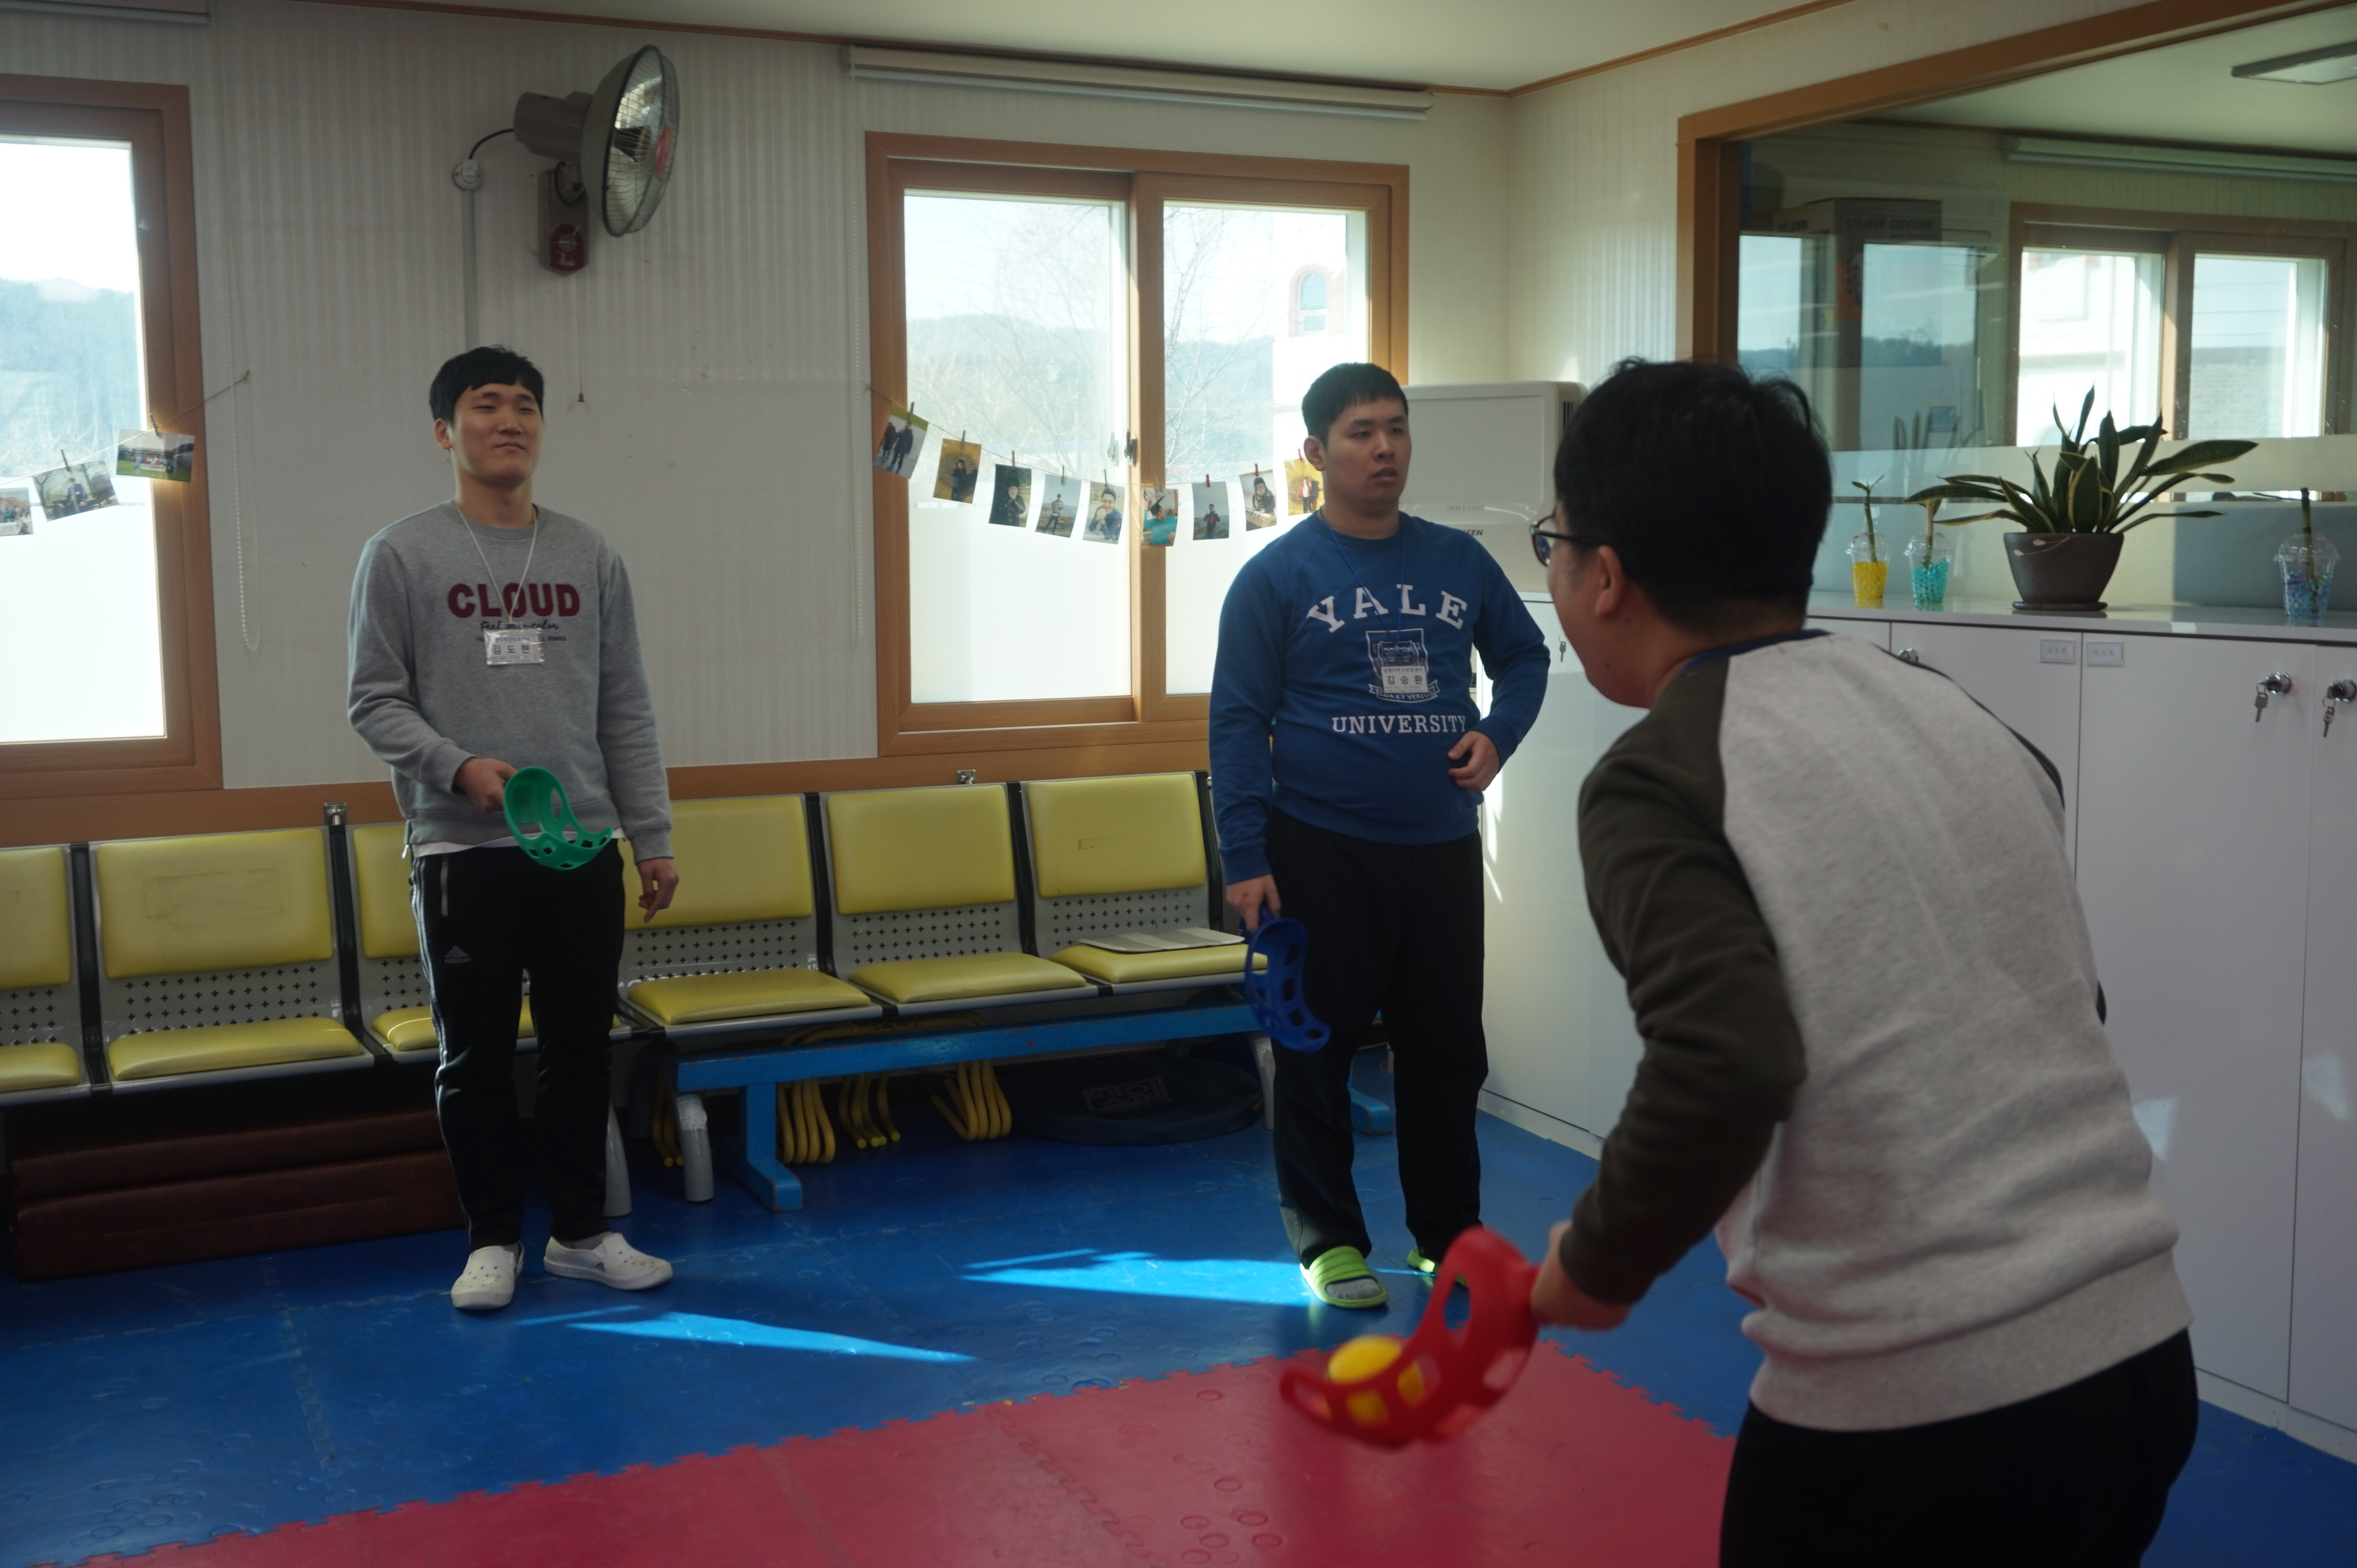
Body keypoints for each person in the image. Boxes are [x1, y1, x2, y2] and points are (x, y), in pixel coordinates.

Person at [1526, 359, 2193, 1564]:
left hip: (1920, 1401)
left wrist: (1595, 1260)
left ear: (1607, 577)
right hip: (2138, 1355)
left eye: (1554, 546)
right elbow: (2063, 994)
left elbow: (1724, 1061)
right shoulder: (1953, 710)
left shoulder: (1658, 775)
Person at [348, 345, 681, 1314]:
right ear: (445, 431)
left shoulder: (589, 554)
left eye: (526, 405)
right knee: (476, 1057)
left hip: (580, 849)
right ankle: (492, 1239)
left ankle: (581, 1235)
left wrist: (651, 836)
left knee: (582, 1050)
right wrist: (458, 766)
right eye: (486, 405)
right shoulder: (401, 554)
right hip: (463, 852)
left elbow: (625, 706)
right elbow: (373, 701)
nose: (510, 421)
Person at [1210, 362, 1549, 1308]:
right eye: (1361, 432)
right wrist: (1245, 857)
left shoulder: (1457, 562)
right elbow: (1236, 721)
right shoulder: (1276, 576)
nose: (1385, 448)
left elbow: (1524, 657)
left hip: (1440, 848)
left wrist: (1498, 734)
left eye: (1396, 428)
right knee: (1315, 1051)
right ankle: (1328, 1240)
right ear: (1317, 453)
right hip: (1318, 849)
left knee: (1446, 1052)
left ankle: (1447, 1236)